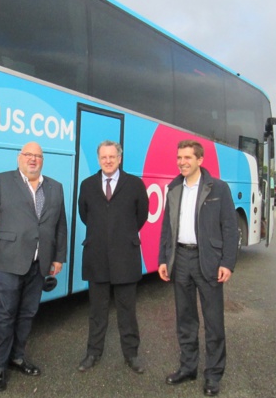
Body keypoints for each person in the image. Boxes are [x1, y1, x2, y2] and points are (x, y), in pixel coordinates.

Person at [0, 141, 67, 392]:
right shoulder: (1, 181)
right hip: (8, 261)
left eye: (38, 156)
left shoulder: (55, 188)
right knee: (5, 315)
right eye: (28, 155)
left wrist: (58, 257)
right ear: (19, 158)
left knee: (27, 314)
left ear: (42, 160)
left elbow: (60, 226)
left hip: (39, 264)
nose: (33, 159)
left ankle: (17, 356)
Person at [158, 140, 238, 396]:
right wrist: (163, 258)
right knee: (185, 319)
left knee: (213, 322)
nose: (182, 162)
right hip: (180, 258)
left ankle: (213, 376)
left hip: (209, 261)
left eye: (188, 157)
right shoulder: (173, 187)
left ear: (200, 160)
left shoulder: (218, 188)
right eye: (179, 157)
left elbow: (229, 227)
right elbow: (166, 228)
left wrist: (227, 262)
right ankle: (188, 368)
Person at [77, 140, 149, 374]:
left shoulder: (135, 184)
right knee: (97, 311)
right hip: (96, 255)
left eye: (112, 157)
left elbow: (141, 216)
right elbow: (85, 214)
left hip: (125, 256)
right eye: (103, 157)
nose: (107, 161)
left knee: (127, 311)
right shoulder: (87, 185)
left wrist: (119, 236)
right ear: (99, 160)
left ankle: (131, 354)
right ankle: (93, 353)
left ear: (120, 159)